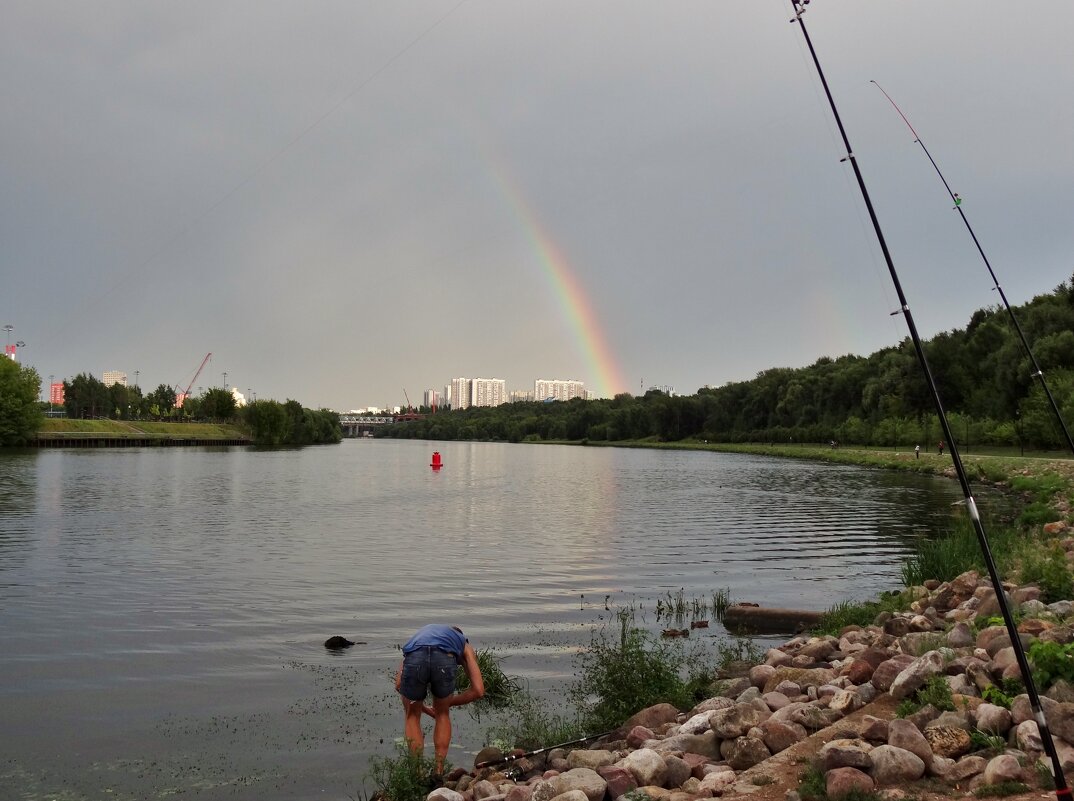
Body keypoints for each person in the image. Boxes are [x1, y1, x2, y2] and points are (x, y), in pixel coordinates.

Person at [395, 624, 484, 776]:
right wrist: (446, 704)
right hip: (443, 658)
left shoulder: (419, 637)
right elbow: (479, 690)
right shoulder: (463, 643)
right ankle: (438, 771)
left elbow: (399, 685)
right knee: (443, 715)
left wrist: (423, 708)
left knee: (412, 715)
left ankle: (417, 773)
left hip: (415, 656)